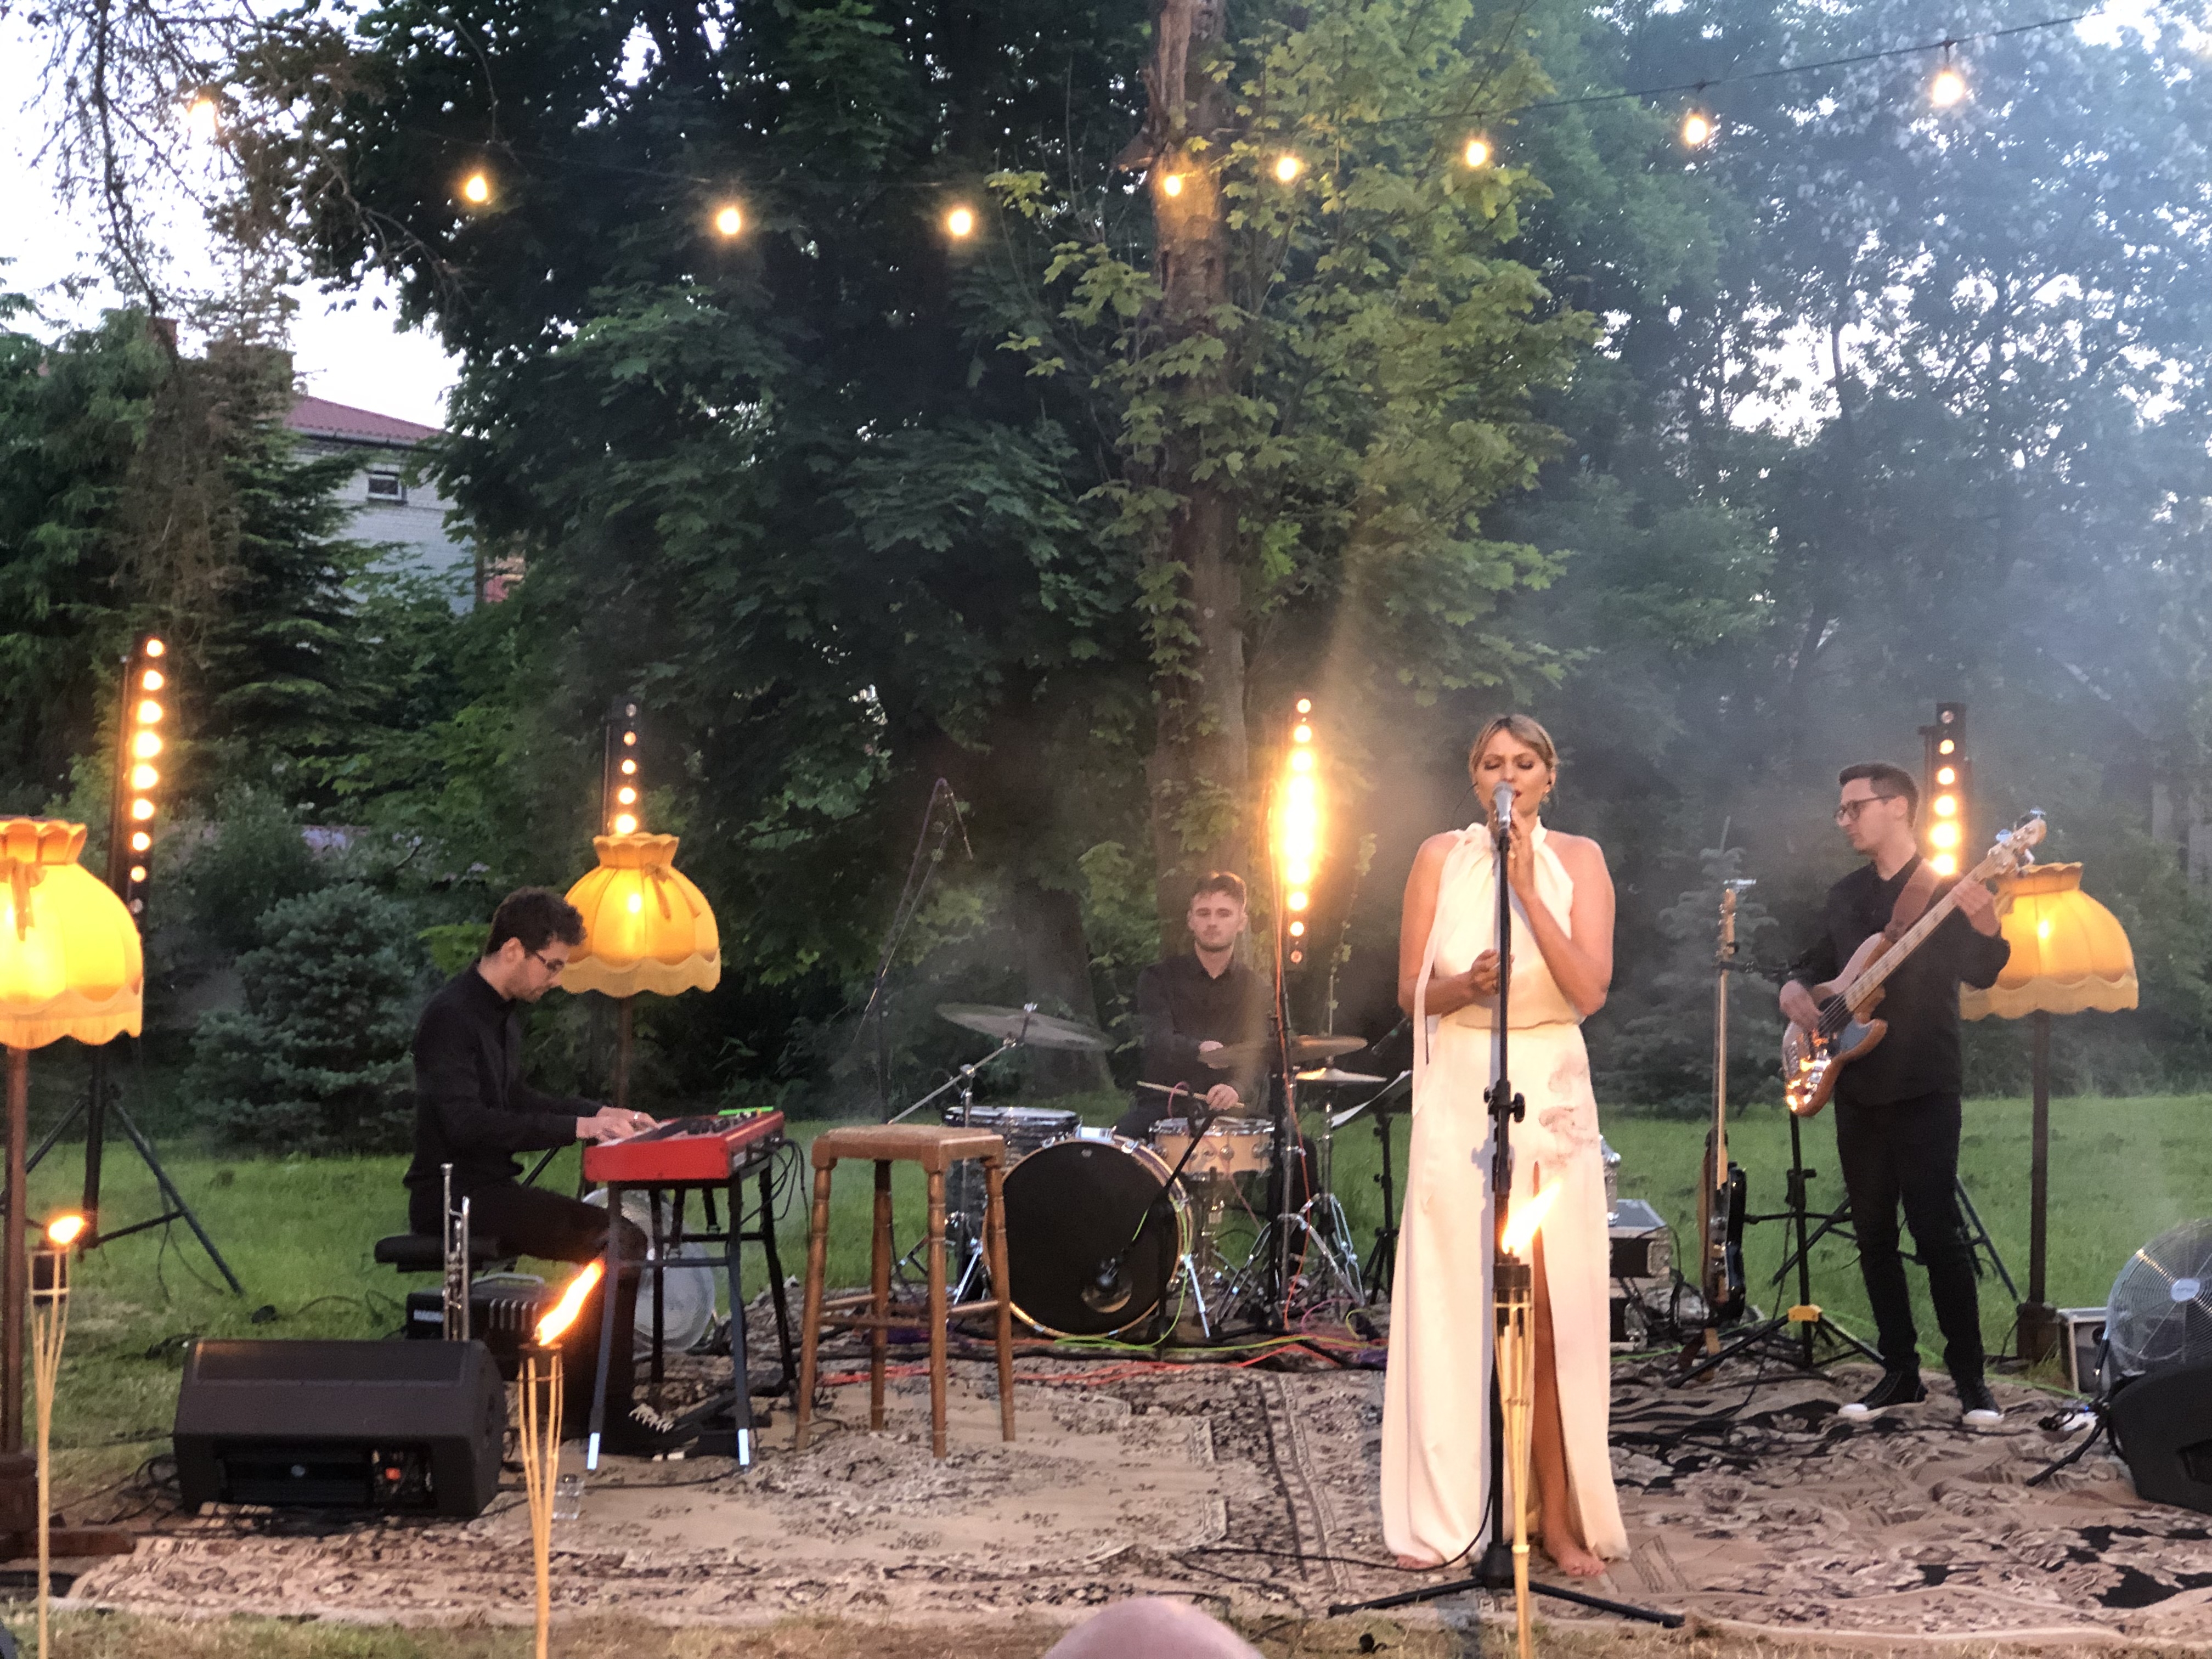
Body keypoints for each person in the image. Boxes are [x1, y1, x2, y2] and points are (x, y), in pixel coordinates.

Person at [1383, 714, 1627, 1578]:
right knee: (1459, 1298)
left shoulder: (1581, 860)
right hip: (1462, 1081)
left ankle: (1553, 1517)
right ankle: (1453, 1514)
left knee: (1548, 1308)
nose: (1509, 776)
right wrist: (1462, 985)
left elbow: (1591, 987)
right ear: (1474, 776)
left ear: (1549, 778)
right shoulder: (1437, 859)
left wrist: (1527, 888)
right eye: (1493, 762)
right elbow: (1409, 990)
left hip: (1548, 1079)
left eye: (1525, 763)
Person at [402, 886, 684, 1455]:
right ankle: (605, 1411)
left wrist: (600, 1114)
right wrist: (578, 1128)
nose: (555, 979)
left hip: (489, 1188)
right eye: (551, 965)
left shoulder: (501, 1017)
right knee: (618, 1240)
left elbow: (516, 1098)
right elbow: (467, 1124)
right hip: (453, 1194)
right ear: (513, 949)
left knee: (619, 1240)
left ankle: (583, 1407)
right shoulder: (449, 1018)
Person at [1779, 762, 2010, 1426]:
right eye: (1842, 810)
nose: (1845, 820)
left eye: (1856, 807)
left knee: (1938, 1231)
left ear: (1899, 807)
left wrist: (1988, 927)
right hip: (1856, 1082)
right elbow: (1815, 964)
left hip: (1926, 1081)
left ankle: (1970, 1380)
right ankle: (1900, 1372)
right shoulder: (1845, 895)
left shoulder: (1947, 887)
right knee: (1873, 1233)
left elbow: (1984, 973)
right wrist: (1792, 988)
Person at [1114, 873, 1272, 1143]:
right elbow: (1159, 1039)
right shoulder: (1158, 978)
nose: (1212, 922)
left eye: (1224, 913)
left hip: (1230, 1108)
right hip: (1165, 1104)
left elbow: (1256, 1052)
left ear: (1241, 922)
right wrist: (1198, 1049)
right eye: (1204, 913)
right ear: (1191, 921)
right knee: (1117, 1145)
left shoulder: (1256, 988)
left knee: (1300, 1150)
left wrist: (1236, 1087)